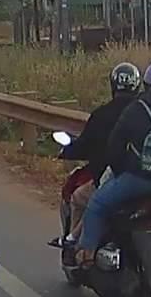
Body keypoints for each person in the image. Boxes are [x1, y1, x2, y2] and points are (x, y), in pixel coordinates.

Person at [75, 59, 151, 267]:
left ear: (146, 82)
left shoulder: (137, 108)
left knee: (97, 204)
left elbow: (115, 144)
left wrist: (122, 171)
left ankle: (87, 255)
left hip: (136, 178)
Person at [53, 62, 141, 248]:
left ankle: (76, 246)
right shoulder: (146, 114)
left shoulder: (102, 115)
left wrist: (68, 151)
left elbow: (85, 144)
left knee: (78, 198)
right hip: (144, 179)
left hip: (110, 179)